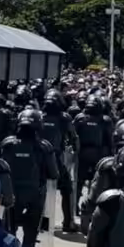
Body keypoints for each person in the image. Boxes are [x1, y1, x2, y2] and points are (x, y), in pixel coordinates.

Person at [0, 108, 59, 247]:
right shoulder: (44, 147)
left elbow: (0, 168)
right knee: (30, 234)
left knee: (7, 233)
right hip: (36, 198)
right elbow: (54, 173)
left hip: (11, 197)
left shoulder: (8, 144)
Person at [39, 89, 79, 232]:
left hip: (38, 158)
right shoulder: (64, 118)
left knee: (39, 189)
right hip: (55, 158)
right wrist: (76, 152)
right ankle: (68, 223)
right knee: (67, 188)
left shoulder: (39, 116)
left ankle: (39, 222)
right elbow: (73, 137)